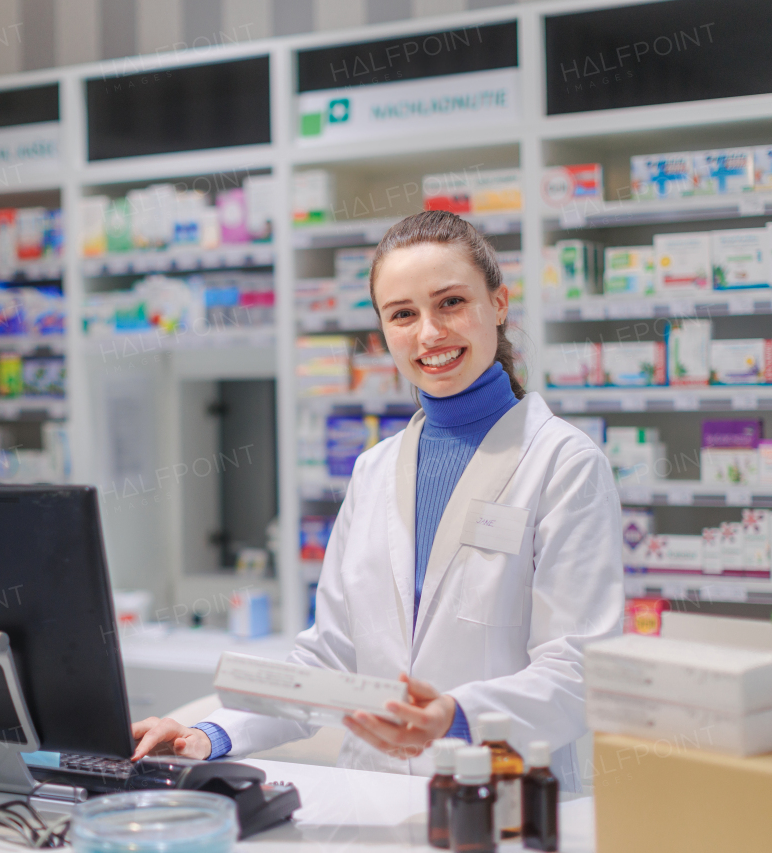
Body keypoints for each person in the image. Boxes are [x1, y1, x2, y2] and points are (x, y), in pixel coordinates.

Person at [131, 210, 623, 787]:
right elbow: (329, 659)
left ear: (499, 303)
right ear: (384, 331)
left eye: (451, 303)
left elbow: (578, 670)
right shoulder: (374, 471)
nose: (429, 334)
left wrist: (456, 717)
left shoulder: (563, 463)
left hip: (502, 795)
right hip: (375, 796)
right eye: (403, 314)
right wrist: (209, 736)